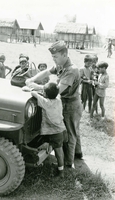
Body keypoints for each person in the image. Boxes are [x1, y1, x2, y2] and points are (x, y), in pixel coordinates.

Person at [26, 40, 83, 168]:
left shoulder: (71, 70)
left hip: (71, 105)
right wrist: (32, 79)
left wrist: (36, 87)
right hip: (66, 102)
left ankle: (68, 163)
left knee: (69, 133)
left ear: (64, 55)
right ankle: (78, 154)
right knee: (74, 130)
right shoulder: (60, 65)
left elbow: (57, 90)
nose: (54, 59)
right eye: (52, 57)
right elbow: (46, 72)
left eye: (55, 57)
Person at [31, 82, 66, 178]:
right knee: (58, 149)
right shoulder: (58, 99)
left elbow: (35, 95)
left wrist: (31, 90)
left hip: (54, 131)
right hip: (59, 129)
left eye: (44, 92)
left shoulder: (46, 103)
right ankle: (59, 165)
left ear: (45, 94)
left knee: (59, 151)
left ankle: (61, 172)